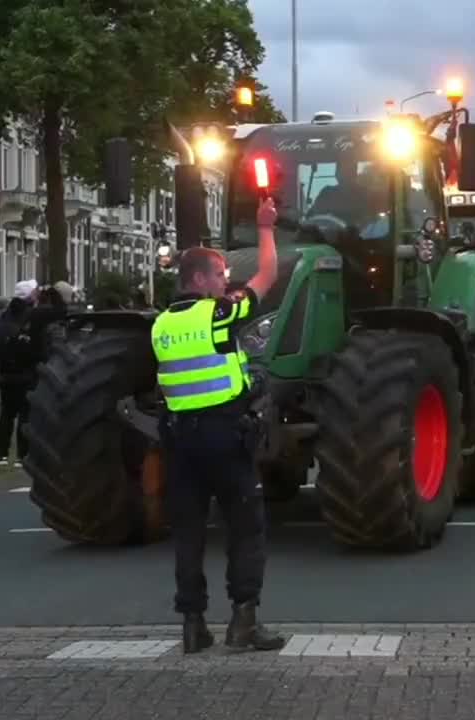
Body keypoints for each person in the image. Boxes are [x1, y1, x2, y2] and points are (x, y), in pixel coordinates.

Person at [153, 197, 283, 654]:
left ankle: (193, 625)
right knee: (245, 529)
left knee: (188, 533)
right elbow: (267, 276)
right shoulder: (220, 314)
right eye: (220, 275)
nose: (225, 281)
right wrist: (265, 228)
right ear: (199, 279)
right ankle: (243, 623)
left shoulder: (161, 326)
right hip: (226, 437)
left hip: (181, 442)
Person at [0, 292, 38, 466]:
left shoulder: (1, 327)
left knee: (6, 415)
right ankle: (21, 455)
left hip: (5, 377)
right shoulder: (26, 329)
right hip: (24, 377)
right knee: (24, 416)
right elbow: (33, 353)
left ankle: (1, 454)